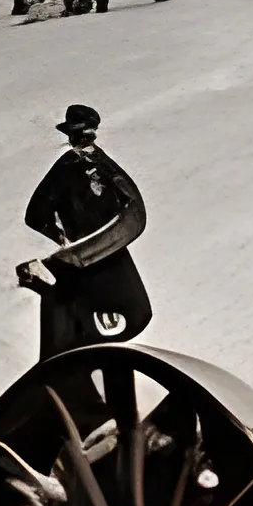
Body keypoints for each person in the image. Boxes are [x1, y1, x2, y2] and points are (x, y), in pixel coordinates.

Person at [17, 104, 152, 365]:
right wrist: (65, 241)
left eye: (87, 134)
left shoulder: (101, 165)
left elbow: (134, 210)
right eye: (79, 134)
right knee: (83, 321)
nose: (83, 140)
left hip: (107, 251)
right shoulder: (69, 168)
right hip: (90, 256)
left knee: (132, 313)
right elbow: (35, 215)